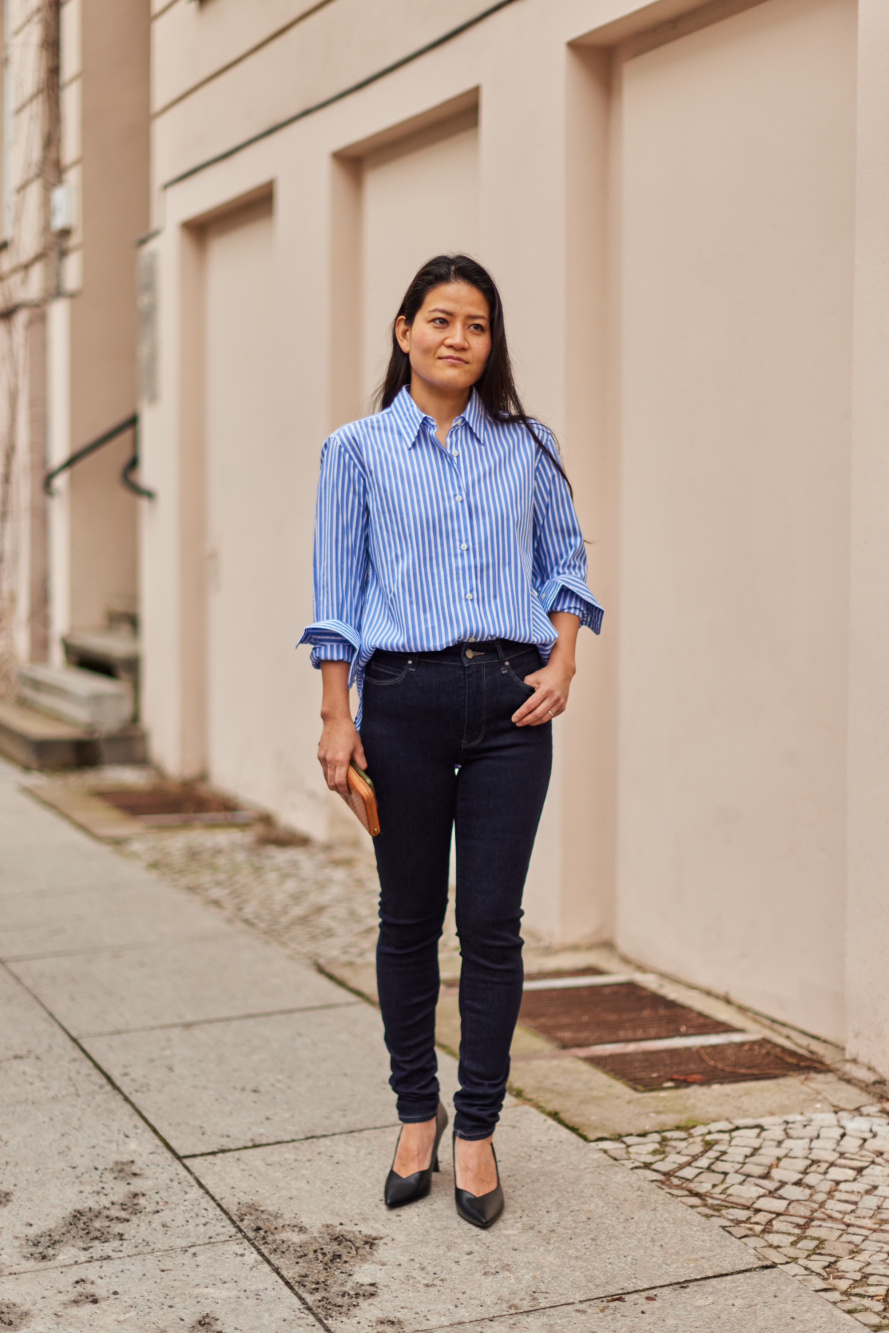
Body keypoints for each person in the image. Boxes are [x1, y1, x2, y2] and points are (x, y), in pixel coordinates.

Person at [299, 254, 603, 1229]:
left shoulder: (528, 443)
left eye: (475, 323)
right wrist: (336, 715)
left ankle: (476, 1128)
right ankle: (414, 1115)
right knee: (407, 918)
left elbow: (565, 562)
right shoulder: (353, 450)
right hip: (404, 699)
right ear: (403, 332)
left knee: (492, 924)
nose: (457, 337)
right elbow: (336, 596)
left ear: (489, 340)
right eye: (439, 319)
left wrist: (561, 665)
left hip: (511, 705)